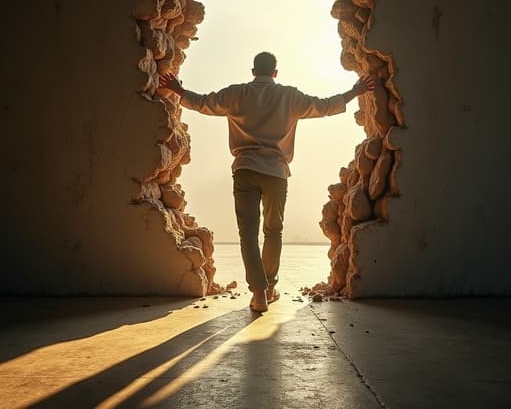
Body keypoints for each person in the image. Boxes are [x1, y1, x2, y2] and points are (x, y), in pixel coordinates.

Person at [159, 51, 375, 312]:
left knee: (247, 234)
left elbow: (203, 103)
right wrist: (355, 91)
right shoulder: (288, 96)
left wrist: (178, 90)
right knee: (274, 231)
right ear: (275, 73)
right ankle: (270, 286)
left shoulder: (237, 93)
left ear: (253, 71)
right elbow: (325, 106)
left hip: (245, 169)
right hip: (276, 172)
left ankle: (259, 293)